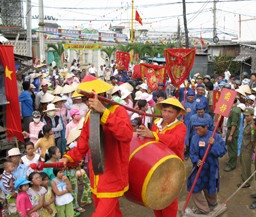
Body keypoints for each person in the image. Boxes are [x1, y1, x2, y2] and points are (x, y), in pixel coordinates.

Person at [61, 75, 132, 217]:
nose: (87, 102)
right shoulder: (89, 115)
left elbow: (126, 135)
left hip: (113, 176)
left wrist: (104, 112)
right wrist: (68, 157)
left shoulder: (118, 111)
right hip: (96, 176)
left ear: (100, 95)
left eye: (89, 98)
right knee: (113, 214)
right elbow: (83, 144)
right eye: (85, 99)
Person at [137, 97, 187, 217]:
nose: (166, 114)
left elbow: (176, 141)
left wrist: (153, 135)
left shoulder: (181, 127)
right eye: (165, 110)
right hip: (156, 166)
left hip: (172, 168)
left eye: (171, 112)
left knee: (169, 198)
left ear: (177, 114)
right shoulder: (155, 124)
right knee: (155, 196)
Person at [187, 118, 226, 215]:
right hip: (199, 168)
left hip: (211, 167)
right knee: (194, 186)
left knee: (210, 186)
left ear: (206, 127)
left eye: (199, 129)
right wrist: (196, 160)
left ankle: (213, 204)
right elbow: (192, 153)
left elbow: (222, 152)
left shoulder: (215, 137)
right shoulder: (195, 138)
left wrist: (214, 144)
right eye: (196, 129)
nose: (197, 131)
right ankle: (204, 209)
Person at [238, 108, 255, 188]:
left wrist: (253, 148)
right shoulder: (247, 123)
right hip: (244, 146)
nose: (246, 117)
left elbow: (252, 139)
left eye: (248, 116)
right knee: (243, 162)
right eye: (245, 116)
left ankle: (246, 182)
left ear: (252, 115)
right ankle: (248, 176)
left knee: (246, 164)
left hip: (247, 148)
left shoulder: (252, 126)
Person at [224, 98, 241, 172]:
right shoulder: (236, 109)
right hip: (232, 131)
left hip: (232, 131)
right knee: (231, 148)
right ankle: (231, 161)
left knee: (232, 149)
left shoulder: (234, 111)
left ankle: (232, 164)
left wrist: (231, 134)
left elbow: (234, 124)